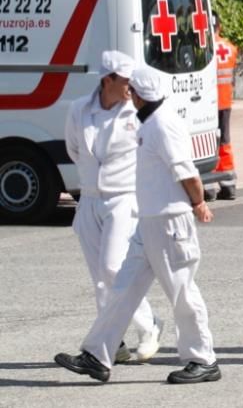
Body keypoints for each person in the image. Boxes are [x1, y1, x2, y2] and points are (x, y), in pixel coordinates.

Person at [55, 66, 219, 384]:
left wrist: (198, 203)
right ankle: (97, 355)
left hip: (170, 222)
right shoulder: (149, 122)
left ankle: (204, 359)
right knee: (122, 288)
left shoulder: (162, 125)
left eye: (133, 92)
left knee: (183, 291)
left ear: (140, 95)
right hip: (149, 222)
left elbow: (187, 173)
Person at [64, 51, 162, 366]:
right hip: (90, 197)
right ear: (108, 80)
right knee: (100, 277)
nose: (131, 88)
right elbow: (75, 149)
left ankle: (150, 324)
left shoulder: (135, 113)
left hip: (123, 197)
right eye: (126, 82)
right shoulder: (79, 110)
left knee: (113, 267)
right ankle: (114, 342)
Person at [212, 13, 237, 200]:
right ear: (219, 26)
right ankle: (229, 183)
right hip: (225, 101)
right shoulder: (230, 48)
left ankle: (209, 186)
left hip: (208, 103)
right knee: (225, 142)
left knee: (206, 144)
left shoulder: (203, 49)